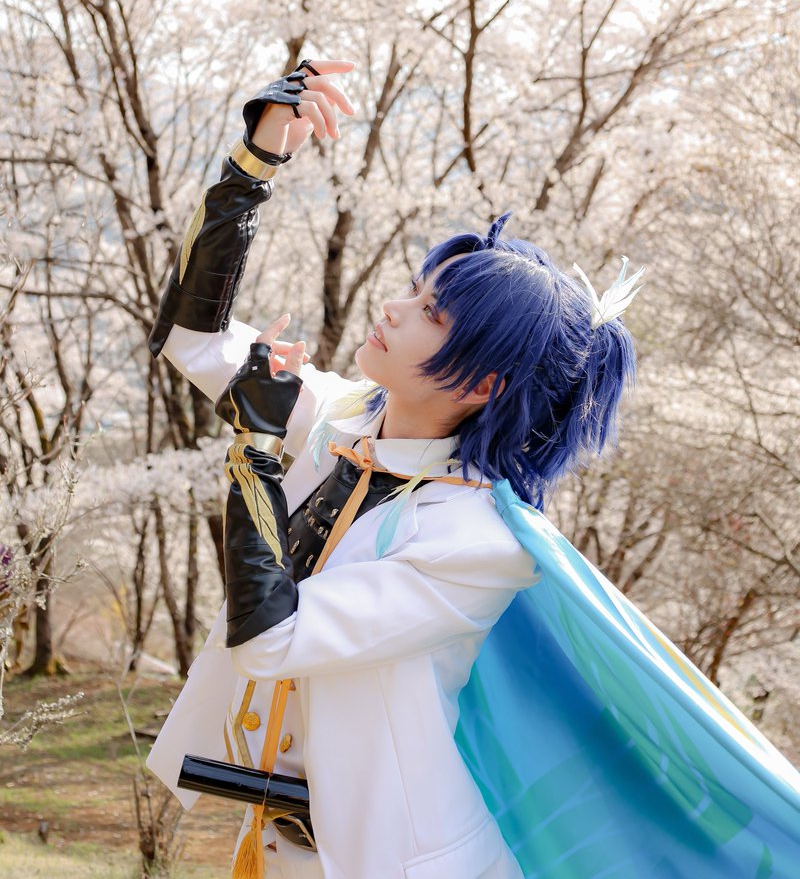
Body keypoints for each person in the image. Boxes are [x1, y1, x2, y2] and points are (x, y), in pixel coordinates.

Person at [146, 60, 800, 879]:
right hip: (278, 846)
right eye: (416, 291)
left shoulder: (477, 542)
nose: (394, 308)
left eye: (431, 311)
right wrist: (257, 162)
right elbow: (194, 340)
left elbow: (273, 639)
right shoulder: (345, 421)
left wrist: (256, 446)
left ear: (483, 384)